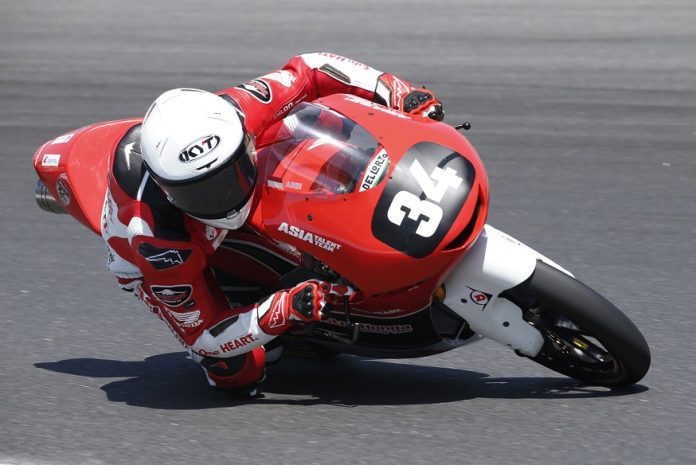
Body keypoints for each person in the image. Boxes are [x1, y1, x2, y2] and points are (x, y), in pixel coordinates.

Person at [101, 52, 444, 398]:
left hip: (240, 180)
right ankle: (277, 321)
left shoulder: (239, 111)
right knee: (235, 370)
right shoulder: (158, 243)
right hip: (159, 263)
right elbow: (204, 335)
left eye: (229, 176)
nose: (222, 200)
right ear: (166, 190)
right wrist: (282, 310)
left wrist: (396, 91)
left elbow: (312, 69)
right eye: (200, 193)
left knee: (321, 125)